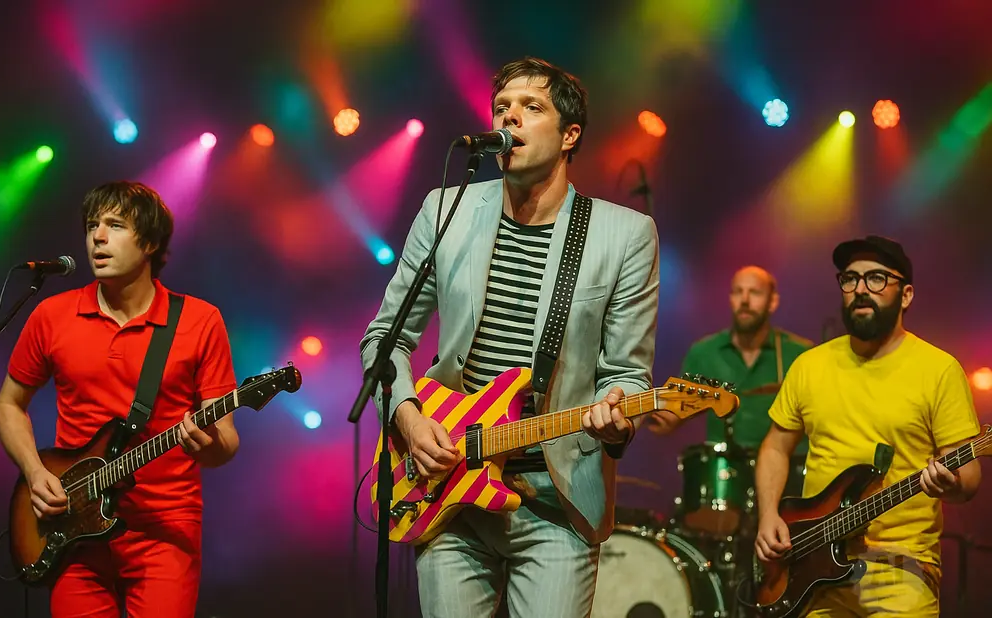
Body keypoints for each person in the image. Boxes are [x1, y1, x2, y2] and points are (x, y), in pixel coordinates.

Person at [360, 57, 667, 617]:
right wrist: (408, 416)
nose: (511, 118)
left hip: (556, 499)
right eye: (503, 107)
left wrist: (615, 412)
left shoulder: (624, 234)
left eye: (532, 108)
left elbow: (627, 373)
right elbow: (386, 339)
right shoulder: (446, 210)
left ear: (570, 135)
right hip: (449, 489)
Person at [0, 181, 239, 618]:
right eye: (92, 226)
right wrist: (34, 472)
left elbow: (226, 442)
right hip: (70, 528)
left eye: (115, 225)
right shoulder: (52, 314)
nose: (97, 238)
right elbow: (10, 403)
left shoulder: (200, 320)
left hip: (165, 531)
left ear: (148, 242)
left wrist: (209, 445)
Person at [754, 235, 982, 616]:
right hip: (814, 569)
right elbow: (775, 447)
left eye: (876, 278)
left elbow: (969, 473)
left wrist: (952, 483)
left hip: (901, 570)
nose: (860, 289)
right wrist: (768, 516)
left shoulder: (939, 370)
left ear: (906, 295)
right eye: (849, 279)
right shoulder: (810, 366)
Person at [679, 265, 813, 453]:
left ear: (772, 302)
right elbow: (676, 411)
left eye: (755, 292)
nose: (745, 300)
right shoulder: (704, 352)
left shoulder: (801, 354)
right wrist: (656, 415)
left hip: (787, 471)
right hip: (725, 472)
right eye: (738, 292)